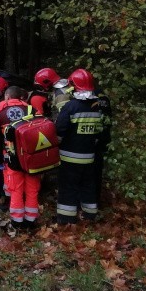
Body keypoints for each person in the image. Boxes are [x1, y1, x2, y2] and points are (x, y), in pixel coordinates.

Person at [55, 68, 106, 224]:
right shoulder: (97, 107)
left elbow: (59, 130)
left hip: (69, 157)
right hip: (89, 156)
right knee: (88, 186)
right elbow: (99, 131)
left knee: (68, 187)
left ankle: (66, 218)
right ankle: (90, 215)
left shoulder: (70, 107)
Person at [0, 86, 41, 228]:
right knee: (32, 189)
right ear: (21, 97)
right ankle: (31, 220)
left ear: (7, 96)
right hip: (30, 157)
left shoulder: (1, 113)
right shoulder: (31, 110)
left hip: (11, 157)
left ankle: (17, 221)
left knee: (15, 190)